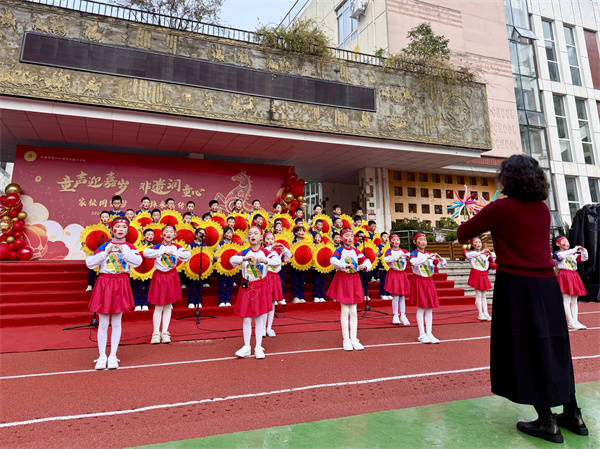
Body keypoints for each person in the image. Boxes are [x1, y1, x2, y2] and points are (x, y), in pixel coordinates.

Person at [457, 154, 587, 444]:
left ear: (509, 179)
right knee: (555, 346)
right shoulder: (542, 209)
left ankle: (546, 421)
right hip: (547, 284)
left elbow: (463, 234)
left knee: (526, 347)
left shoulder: (499, 208)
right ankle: (573, 414)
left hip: (516, 284)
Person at [86, 218, 142, 370]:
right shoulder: (104, 246)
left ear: (127, 230)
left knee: (117, 322)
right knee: (103, 323)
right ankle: (102, 356)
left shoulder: (130, 247)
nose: (121, 229)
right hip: (104, 282)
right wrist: (106, 253)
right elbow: (90, 263)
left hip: (121, 283)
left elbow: (137, 262)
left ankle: (112, 355)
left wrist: (124, 253)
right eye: (117, 226)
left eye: (124, 227)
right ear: (112, 230)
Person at [230, 226, 280, 359]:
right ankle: (246, 346)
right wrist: (244, 259)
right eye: (250, 233)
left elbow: (277, 261)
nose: (253, 235)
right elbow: (232, 260)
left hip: (261, 287)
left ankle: (258, 346)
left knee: (259, 318)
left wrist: (266, 261)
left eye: (256, 233)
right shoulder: (245, 252)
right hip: (247, 287)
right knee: (246, 318)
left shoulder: (265, 252)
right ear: (248, 237)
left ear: (261, 237)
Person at [143, 225, 191, 345]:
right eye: (166, 232)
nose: (168, 234)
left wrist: (174, 253)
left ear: (175, 235)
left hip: (171, 276)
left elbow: (187, 255)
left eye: (171, 232)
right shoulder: (157, 247)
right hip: (159, 277)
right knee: (158, 306)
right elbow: (146, 252)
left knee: (168, 305)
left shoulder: (177, 247)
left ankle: (165, 332)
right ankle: (156, 333)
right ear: (161, 235)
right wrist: (161, 252)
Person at [328, 228, 372, 351]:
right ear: (342, 238)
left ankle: (354, 338)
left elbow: (367, 261)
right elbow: (333, 260)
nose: (350, 238)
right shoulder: (340, 250)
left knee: (353, 311)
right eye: (347, 235)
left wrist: (364, 266)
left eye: (352, 235)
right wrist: (345, 265)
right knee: (345, 311)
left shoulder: (356, 251)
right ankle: (346, 339)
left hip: (354, 280)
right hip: (343, 279)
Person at [409, 233, 447, 344]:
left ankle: (429, 333)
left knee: (429, 307)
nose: (423, 242)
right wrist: (426, 257)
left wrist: (441, 259)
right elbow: (413, 262)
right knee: (421, 307)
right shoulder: (414, 253)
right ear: (415, 242)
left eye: (425, 240)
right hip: (419, 280)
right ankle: (422, 334)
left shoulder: (429, 254)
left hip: (429, 281)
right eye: (420, 240)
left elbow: (440, 265)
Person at [553, 236, 588, 330]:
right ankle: (571, 321)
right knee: (567, 299)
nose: (567, 243)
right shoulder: (557, 253)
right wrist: (574, 250)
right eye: (564, 242)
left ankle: (575, 321)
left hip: (573, 275)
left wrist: (583, 250)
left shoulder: (572, 254)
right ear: (558, 244)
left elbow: (584, 258)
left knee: (574, 300)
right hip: (564, 275)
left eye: (568, 242)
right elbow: (562, 256)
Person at [263, 231, 291, 336]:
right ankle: (262, 328)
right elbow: (265, 254)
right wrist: (270, 248)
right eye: (268, 239)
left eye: (272, 239)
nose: (270, 241)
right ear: (263, 241)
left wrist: (283, 248)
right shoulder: (262, 251)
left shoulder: (277, 252)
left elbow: (288, 256)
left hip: (274, 277)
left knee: (272, 302)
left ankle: (269, 328)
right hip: (265, 277)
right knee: (264, 303)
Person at [465, 237, 496, 321]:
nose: (478, 244)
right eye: (476, 242)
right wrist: (481, 252)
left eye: (479, 242)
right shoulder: (471, 253)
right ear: (472, 244)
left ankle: (486, 313)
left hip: (484, 274)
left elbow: (494, 258)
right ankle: (480, 313)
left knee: (484, 295)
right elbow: (468, 256)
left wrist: (490, 253)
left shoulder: (485, 254)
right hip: (476, 273)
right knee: (478, 295)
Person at [384, 233, 410, 325]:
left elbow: (411, 256)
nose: (396, 242)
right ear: (390, 242)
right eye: (394, 240)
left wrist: (408, 255)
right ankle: (395, 315)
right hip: (394, 273)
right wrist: (397, 257)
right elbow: (386, 259)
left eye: (398, 240)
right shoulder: (389, 251)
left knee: (402, 295)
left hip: (402, 274)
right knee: (395, 295)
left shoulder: (403, 251)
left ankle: (403, 315)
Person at [86, 210, 111, 292]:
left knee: (103, 268)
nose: (104, 219)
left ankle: (99, 286)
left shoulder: (112, 229)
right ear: (100, 218)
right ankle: (89, 285)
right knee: (93, 266)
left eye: (106, 217)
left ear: (109, 218)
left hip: (108, 252)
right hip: (97, 250)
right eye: (103, 217)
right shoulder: (96, 228)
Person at [133, 228, 155, 311]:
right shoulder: (137, 246)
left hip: (150, 271)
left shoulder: (154, 247)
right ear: (144, 236)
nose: (150, 236)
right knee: (138, 288)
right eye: (148, 234)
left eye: (152, 235)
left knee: (148, 288)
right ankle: (137, 304)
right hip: (139, 271)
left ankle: (146, 303)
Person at [214, 226, 235, 307]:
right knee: (222, 284)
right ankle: (221, 300)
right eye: (228, 233)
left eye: (231, 233)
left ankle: (228, 299)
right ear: (224, 234)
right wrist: (216, 257)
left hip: (231, 268)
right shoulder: (220, 244)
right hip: (222, 267)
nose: (229, 234)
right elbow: (216, 254)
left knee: (230, 284)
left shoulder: (234, 244)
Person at [187, 228, 207, 309]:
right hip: (192, 269)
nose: (202, 235)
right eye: (200, 233)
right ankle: (191, 301)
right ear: (196, 235)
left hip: (201, 269)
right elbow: (187, 256)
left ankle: (199, 301)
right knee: (191, 285)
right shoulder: (191, 245)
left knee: (200, 286)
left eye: (203, 234)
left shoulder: (204, 246)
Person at [291, 226, 307, 304]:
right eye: (300, 231)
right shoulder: (293, 242)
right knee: (295, 280)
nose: (302, 232)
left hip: (303, 264)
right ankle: (295, 296)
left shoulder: (306, 242)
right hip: (295, 264)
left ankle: (301, 296)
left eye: (303, 231)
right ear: (296, 233)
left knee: (301, 280)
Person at [311, 233, 327, 302]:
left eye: (319, 237)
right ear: (314, 239)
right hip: (315, 267)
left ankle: (322, 296)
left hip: (323, 267)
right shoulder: (312, 246)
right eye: (316, 237)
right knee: (316, 282)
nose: (318, 238)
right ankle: (316, 296)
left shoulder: (323, 246)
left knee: (322, 282)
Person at [377, 232, 392, 300]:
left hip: (389, 266)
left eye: (387, 237)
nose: (386, 238)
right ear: (381, 238)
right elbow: (376, 256)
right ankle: (382, 293)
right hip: (382, 266)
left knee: (389, 280)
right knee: (383, 280)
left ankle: (388, 293)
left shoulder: (390, 247)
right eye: (384, 237)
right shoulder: (379, 247)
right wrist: (380, 254)